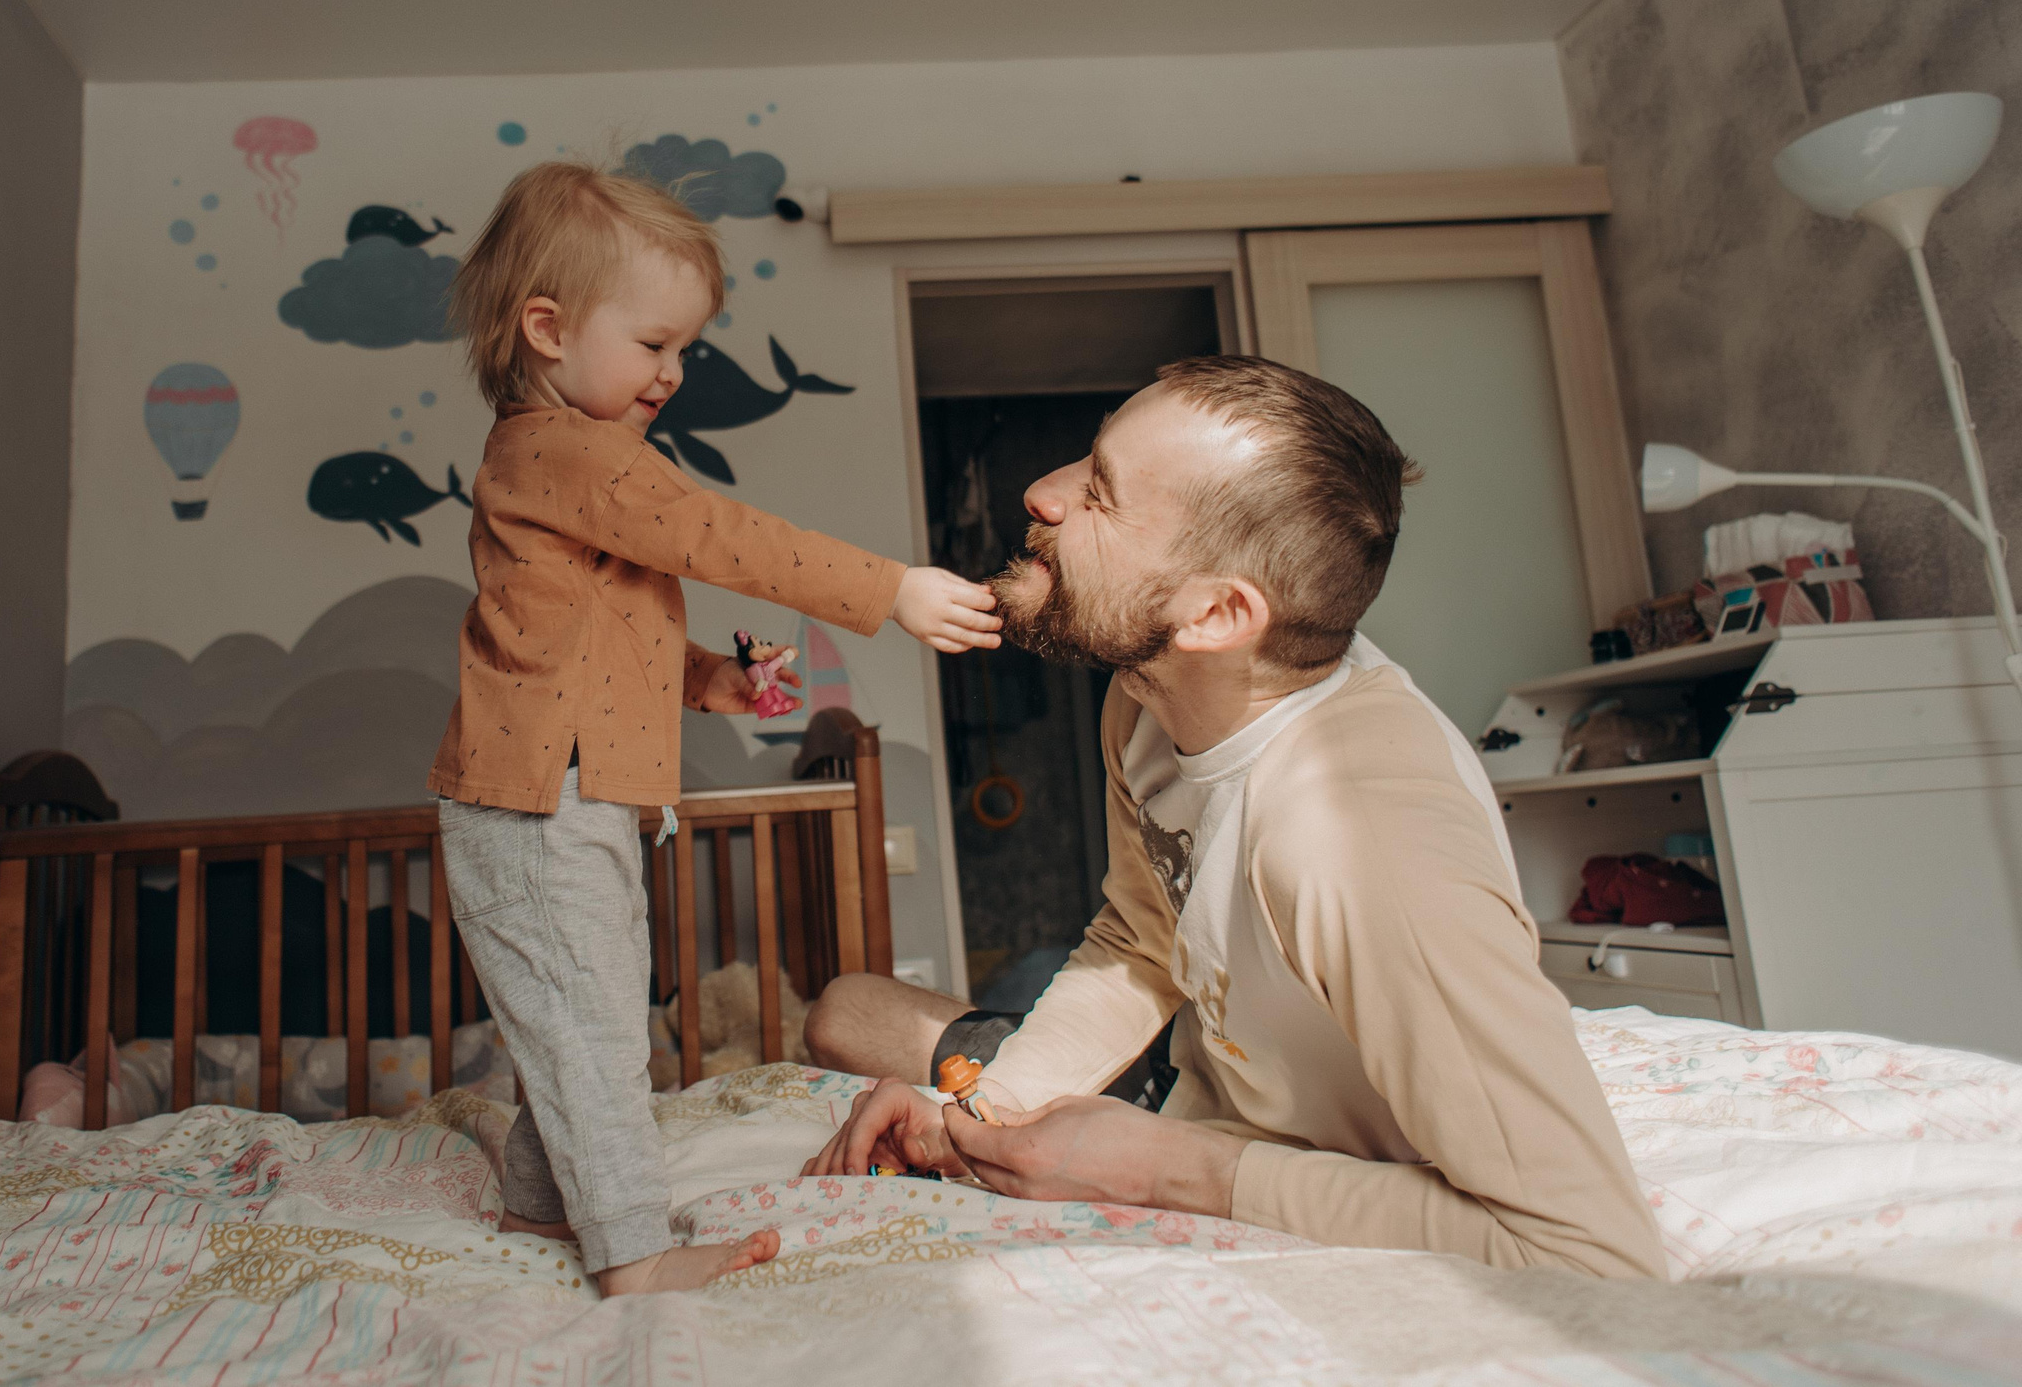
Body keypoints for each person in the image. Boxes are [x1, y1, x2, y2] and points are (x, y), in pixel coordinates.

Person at [802, 357, 1666, 1280]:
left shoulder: (1363, 845)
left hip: (1276, 1148)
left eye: (1099, 492)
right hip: (1191, 1074)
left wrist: (1165, 1168)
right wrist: (985, 1115)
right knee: (844, 1012)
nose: (1042, 494)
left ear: (1216, 612)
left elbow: (1591, 1250)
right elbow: (1141, 938)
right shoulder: (1145, 697)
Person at [430, 162, 1002, 1295]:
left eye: (683, 348)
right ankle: (632, 1257)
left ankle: (548, 1207)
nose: (674, 373)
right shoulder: (561, 450)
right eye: (652, 345)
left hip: (576, 797)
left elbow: (598, 629)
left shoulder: (570, 467)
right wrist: (887, 588)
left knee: (586, 1012)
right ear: (545, 329)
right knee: (590, 1022)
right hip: (536, 804)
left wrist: (713, 683)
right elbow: (712, 532)